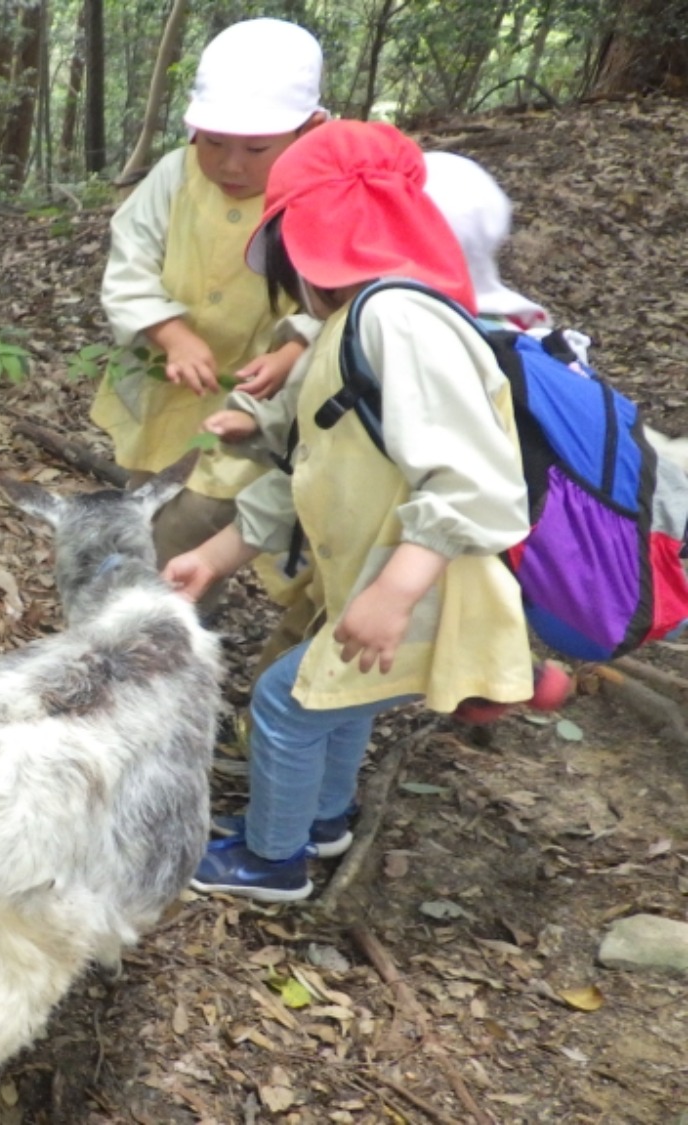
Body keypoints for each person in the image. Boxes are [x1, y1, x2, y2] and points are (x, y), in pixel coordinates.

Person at [164, 121, 541, 902]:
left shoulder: (398, 321)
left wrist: (395, 591)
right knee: (338, 698)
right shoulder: (355, 322)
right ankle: (320, 819)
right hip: (384, 583)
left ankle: (274, 860)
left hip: (424, 589)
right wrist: (214, 558)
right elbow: (311, 473)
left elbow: (476, 480)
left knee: (287, 701)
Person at [94, 18, 330, 615]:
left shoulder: (318, 194)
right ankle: (155, 608)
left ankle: (167, 621)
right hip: (162, 384)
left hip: (254, 398)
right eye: (213, 142)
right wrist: (170, 332)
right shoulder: (174, 175)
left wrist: (295, 346)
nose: (230, 164)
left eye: (256, 149)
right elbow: (131, 261)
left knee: (198, 514)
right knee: (147, 491)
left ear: (310, 131)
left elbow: (337, 295)